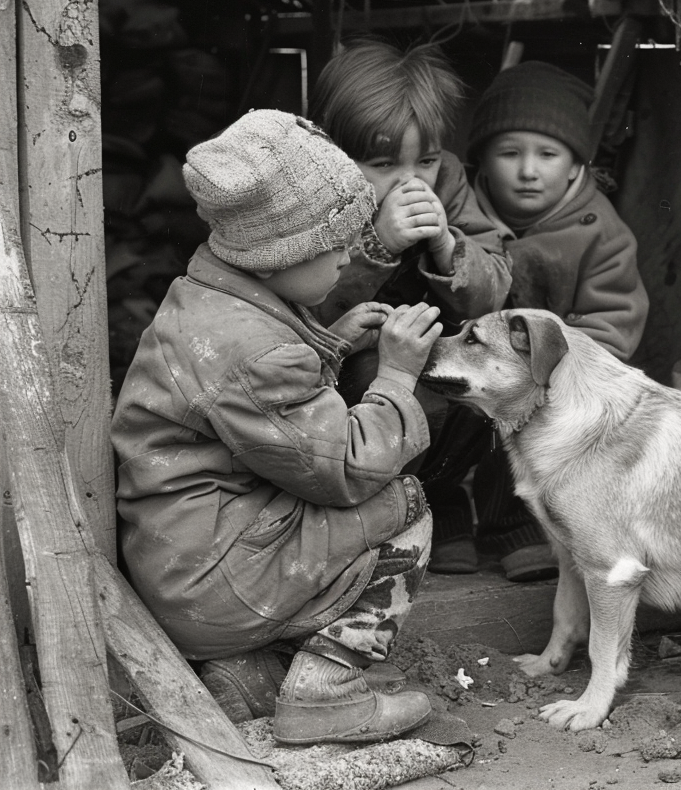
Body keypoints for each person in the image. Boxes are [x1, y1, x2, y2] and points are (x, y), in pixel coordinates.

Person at [112, 110, 442, 745]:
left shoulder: (209, 298)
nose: (351, 254)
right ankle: (329, 692)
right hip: (218, 581)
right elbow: (343, 470)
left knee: (325, 517)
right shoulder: (258, 355)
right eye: (336, 244)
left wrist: (329, 348)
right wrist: (396, 377)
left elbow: (261, 416)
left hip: (186, 562)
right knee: (402, 504)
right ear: (279, 254)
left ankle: (251, 677)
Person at [308, 37, 512, 574]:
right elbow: (304, 308)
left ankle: (446, 503)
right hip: (362, 362)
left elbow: (495, 287)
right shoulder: (314, 192)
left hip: (437, 347)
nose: (410, 180)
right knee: (380, 390)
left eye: (425, 159)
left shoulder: (447, 181)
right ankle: (393, 515)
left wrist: (448, 247)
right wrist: (376, 248)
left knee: (490, 386)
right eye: (382, 163)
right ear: (335, 153)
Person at [465, 60, 650, 581]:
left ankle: (515, 525)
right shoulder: (460, 219)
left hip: (559, 382)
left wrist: (545, 365)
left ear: (574, 166)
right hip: (474, 368)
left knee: (533, 419)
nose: (528, 170)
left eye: (547, 154)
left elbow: (613, 324)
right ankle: (449, 514)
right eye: (509, 153)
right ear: (481, 158)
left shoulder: (602, 234)